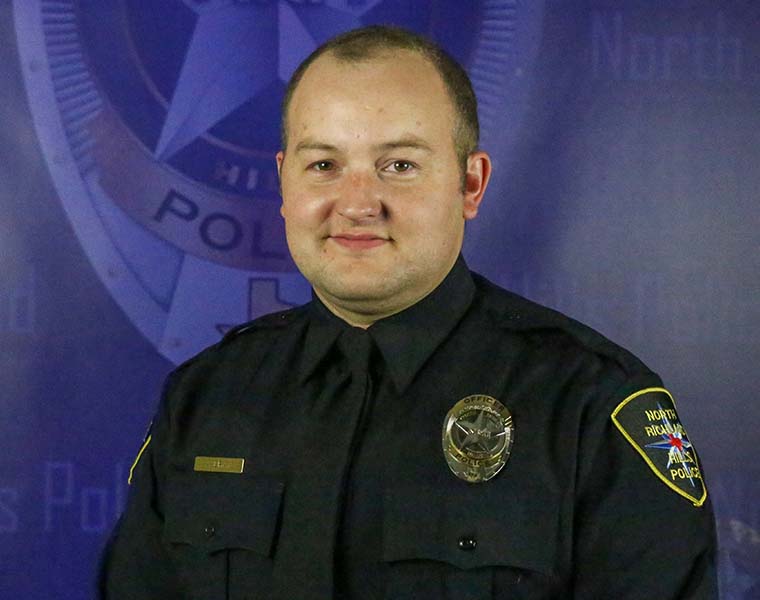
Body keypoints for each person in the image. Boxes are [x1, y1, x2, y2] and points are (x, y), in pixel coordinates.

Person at [99, 25, 717, 599]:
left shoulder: (590, 405)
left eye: (399, 165)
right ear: (285, 184)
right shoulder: (205, 397)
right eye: (324, 165)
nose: (358, 203)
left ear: (469, 184)